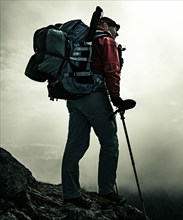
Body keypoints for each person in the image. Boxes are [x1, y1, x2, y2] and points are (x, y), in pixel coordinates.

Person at [61, 16, 127, 209]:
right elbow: (112, 71)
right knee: (109, 142)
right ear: (107, 25)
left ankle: (71, 196)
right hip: (94, 96)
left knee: (75, 146)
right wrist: (116, 99)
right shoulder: (106, 40)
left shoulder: (79, 40)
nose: (117, 33)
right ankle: (106, 192)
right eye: (116, 28)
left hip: (73, 97)